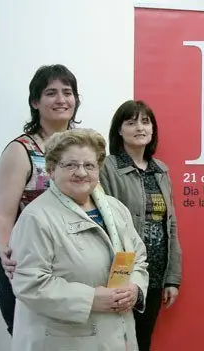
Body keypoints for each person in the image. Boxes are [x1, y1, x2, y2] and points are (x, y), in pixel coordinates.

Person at [9, 128, 149, 351]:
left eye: (89, 165)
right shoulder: (36, 218)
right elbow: (29, 283)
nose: (81, 172)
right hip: (62, 341)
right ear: (52, 169)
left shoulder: (116, 209)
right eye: (70, 165)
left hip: (116, 336)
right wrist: (90, 298)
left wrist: (135, 288)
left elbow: (139, 258)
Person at [0, 64, 81, 335]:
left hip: (72, 268)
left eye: (68, 92)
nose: (61, 99)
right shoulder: (21, 151)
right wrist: (6, 253)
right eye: (51, 93)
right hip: (29, 267)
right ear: (35, 102)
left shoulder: (83, 149)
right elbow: (2, 214)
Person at [100, 100, 182, 351]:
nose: (140, 127)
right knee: (117, 340)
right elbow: (104, 220)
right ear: (119, 130)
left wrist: (172, 278)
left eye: (146, 122)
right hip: (123, 270)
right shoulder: (108, 167)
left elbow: (171, 225)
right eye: (131, 121)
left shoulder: (161, 170)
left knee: (143, 340)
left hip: (156, 271)